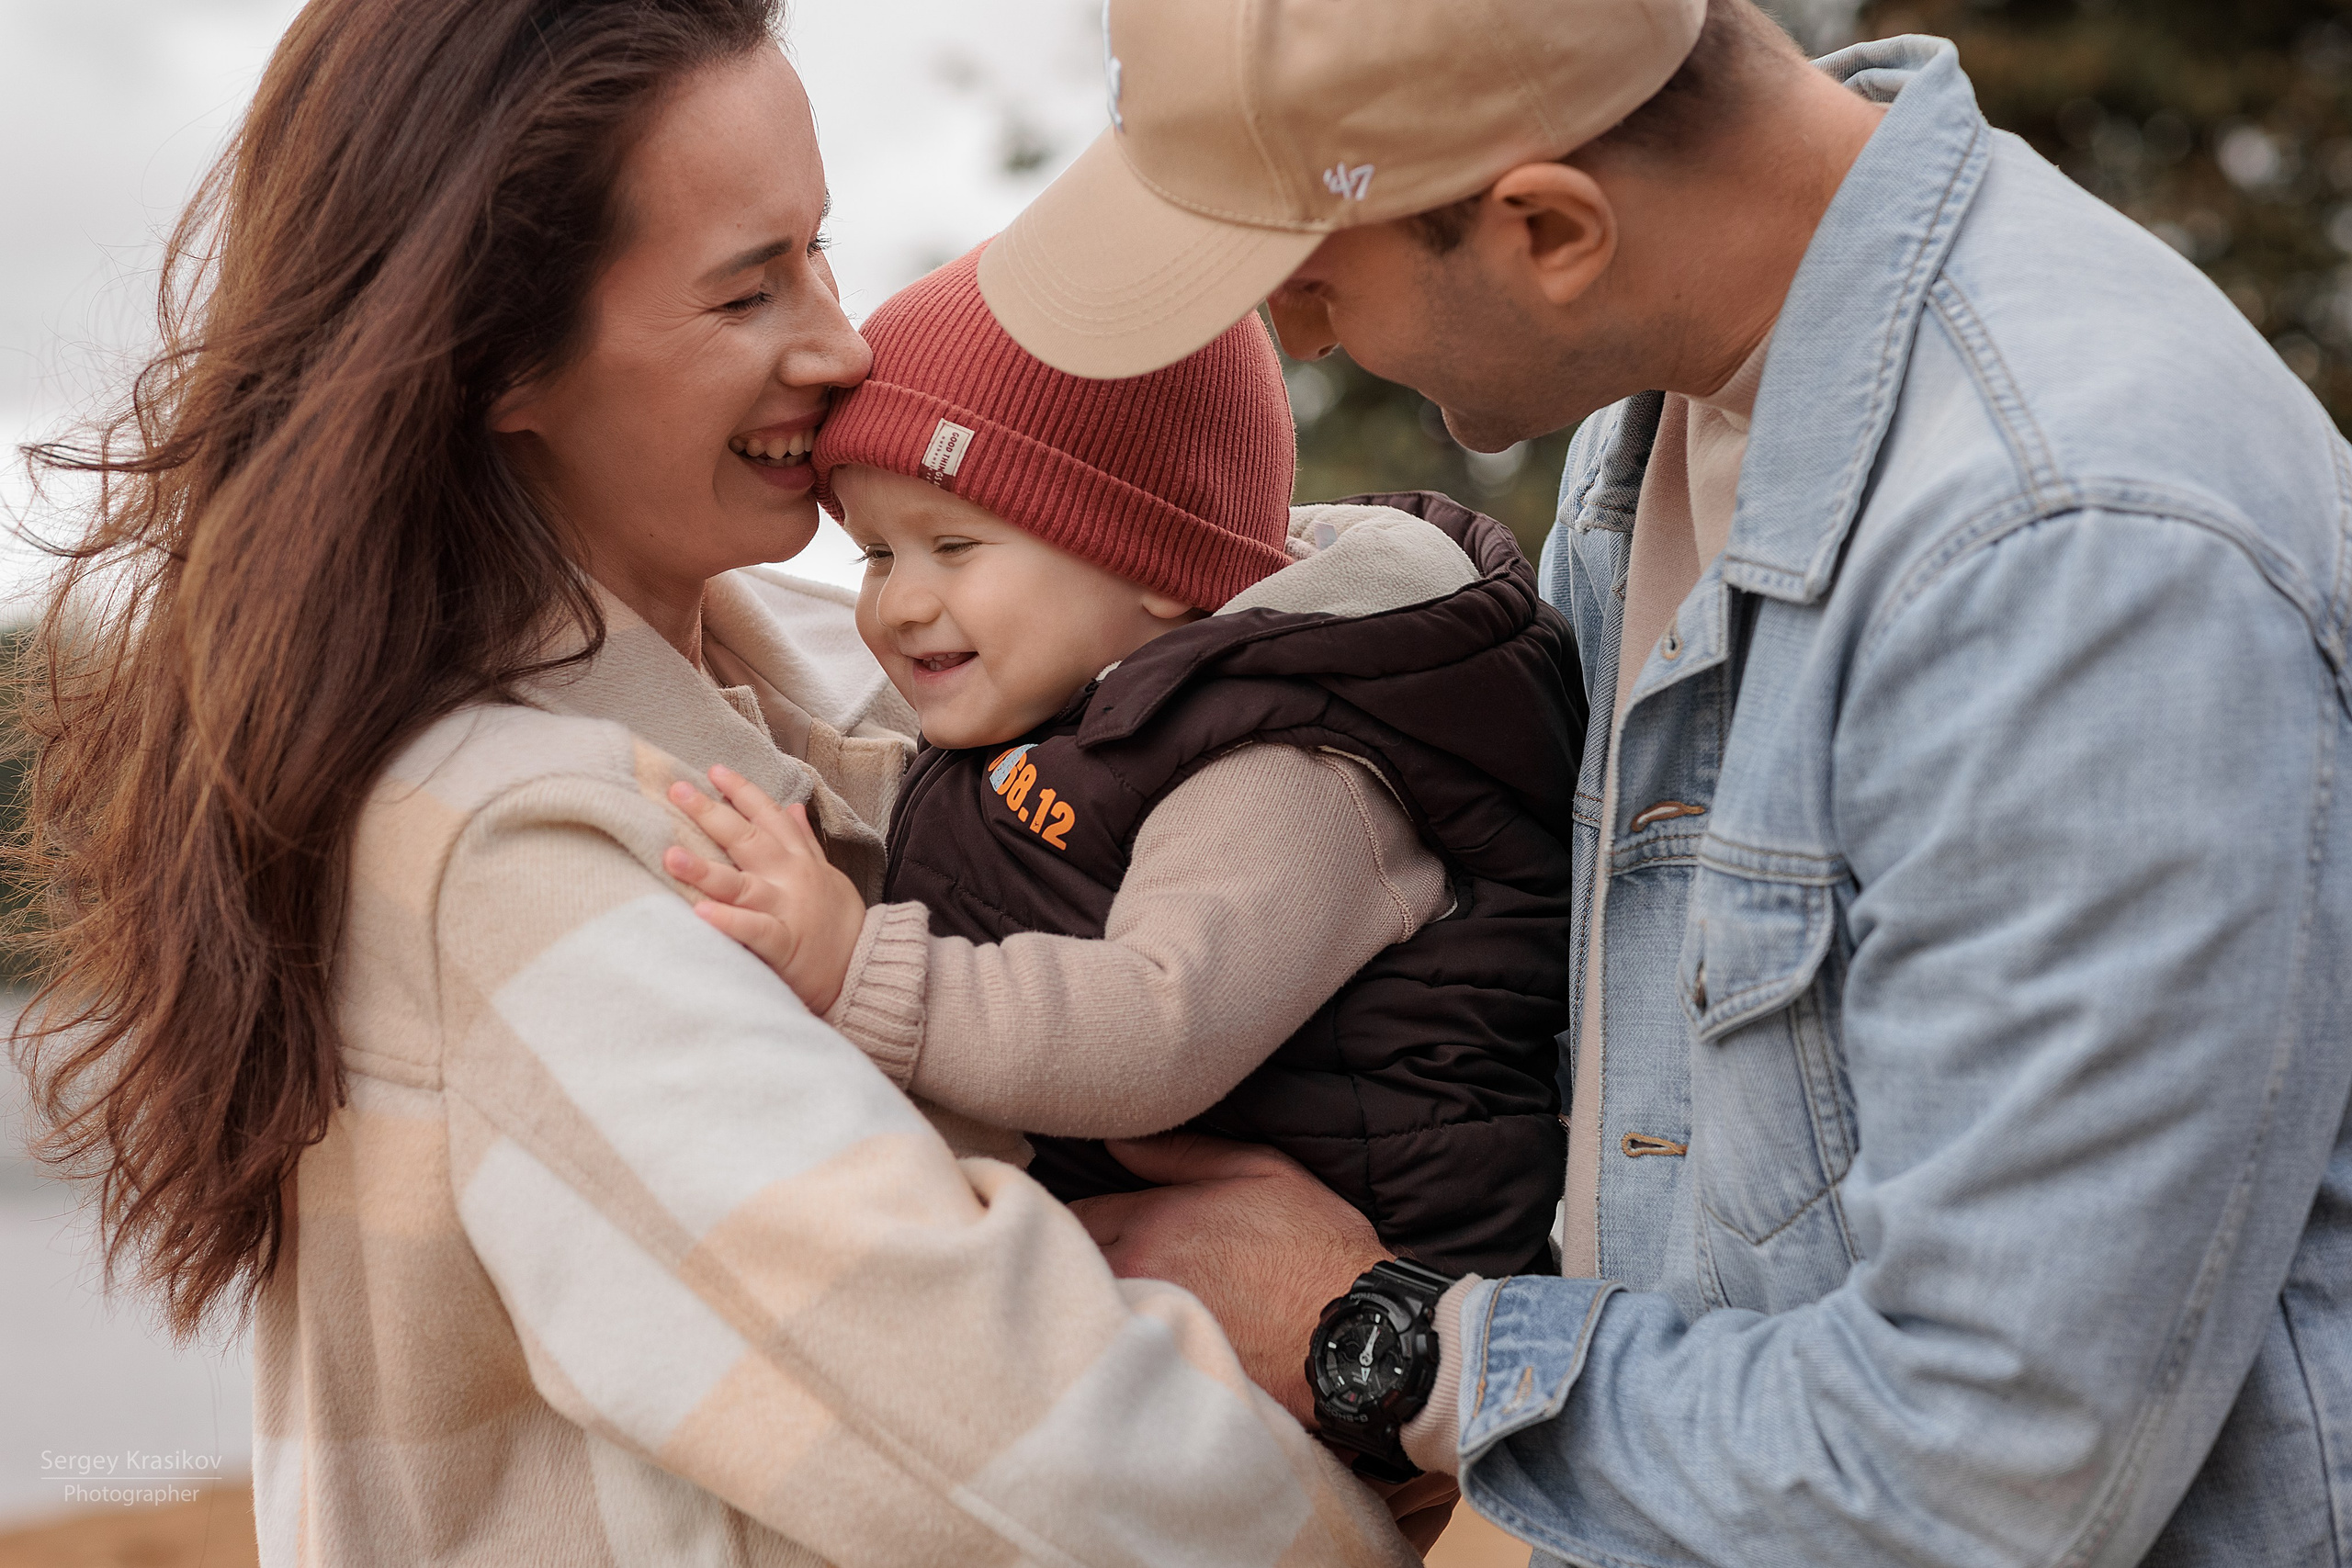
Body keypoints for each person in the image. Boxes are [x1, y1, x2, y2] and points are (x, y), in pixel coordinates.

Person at [6, 1, 1425, 1562]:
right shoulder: (509, 843)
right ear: (496, 360)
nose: (841, 340)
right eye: (748, 290)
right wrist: (1384, 1374)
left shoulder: (847, 670)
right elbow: (1079, 1472)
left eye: (820, 249)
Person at [980, 0, 2352, 1560]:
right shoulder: (1664, 432)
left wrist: (1373, 1338)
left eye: (1309, 276)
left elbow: (1991, 1458)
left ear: (1550, 229)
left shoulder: (2072, 555)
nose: (1291, 339)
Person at [660, 243, 1584, 1286]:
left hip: (1357, 1311)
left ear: (1152, 562)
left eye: (952, 547)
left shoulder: (1288, 765)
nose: (899, 602)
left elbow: (1154, 1029)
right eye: (876, 555)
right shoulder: (1077, 709)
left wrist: (853, 966)